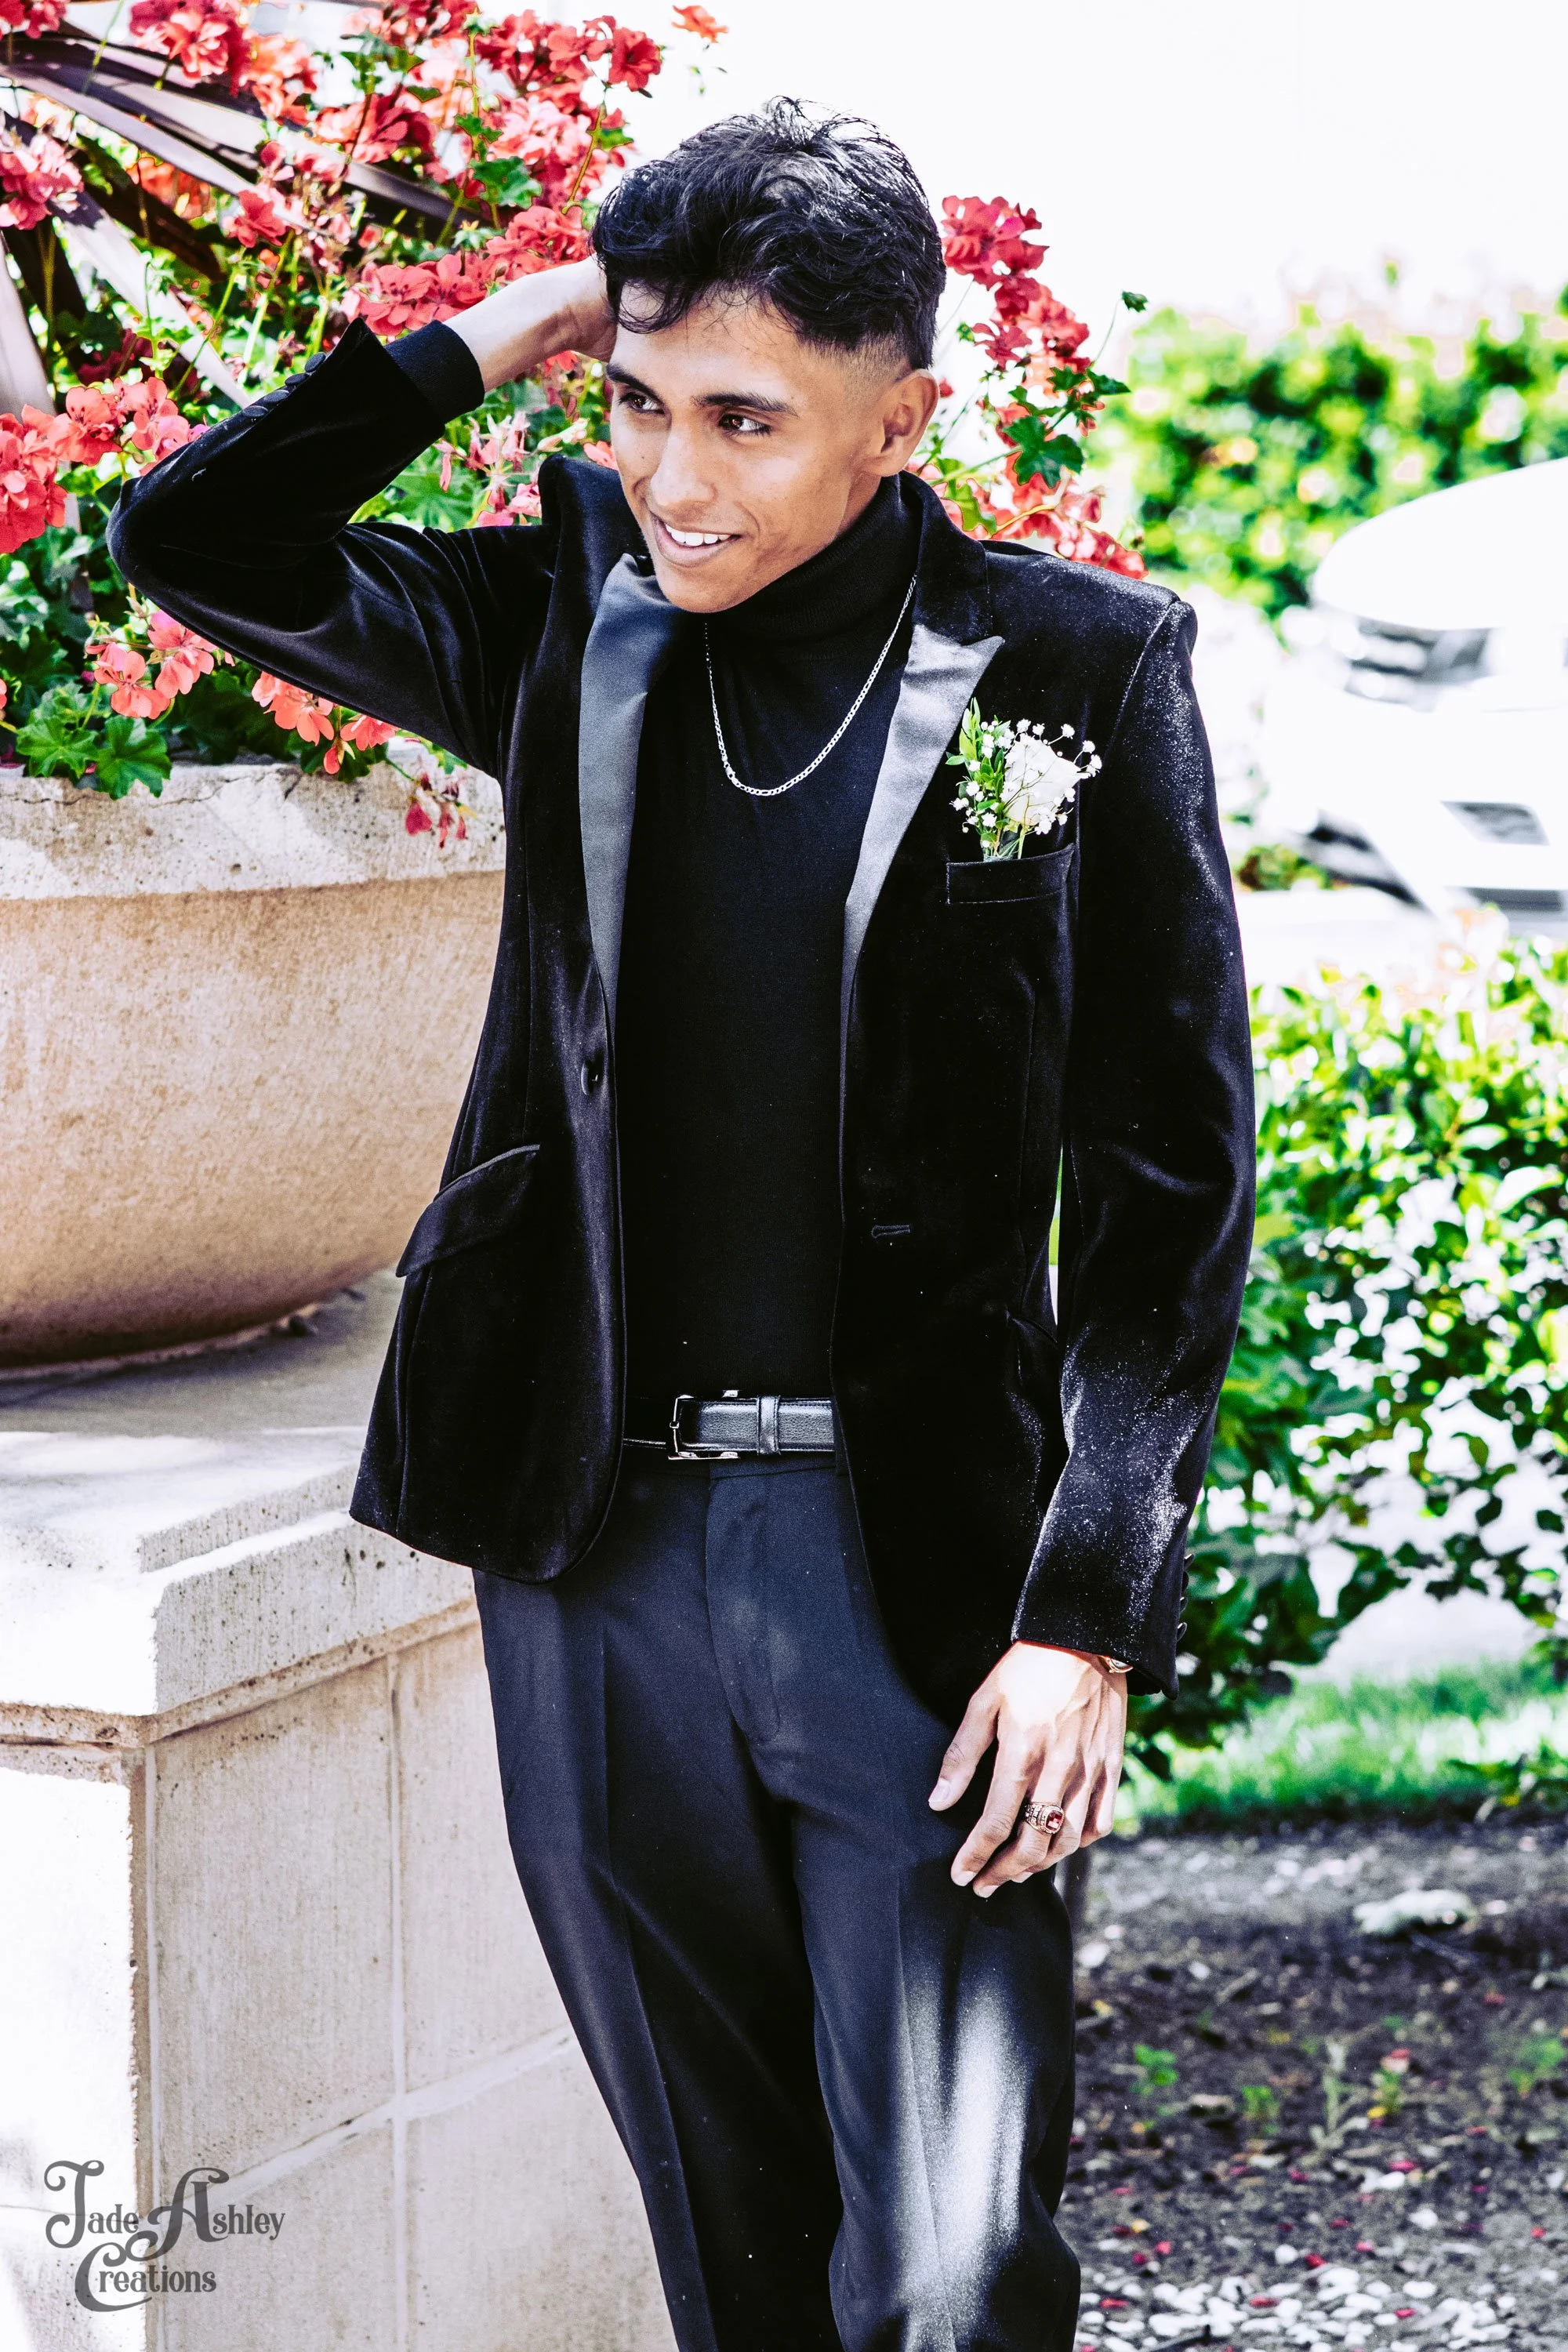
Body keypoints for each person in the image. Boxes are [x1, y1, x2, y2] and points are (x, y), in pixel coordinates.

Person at [111, 98, 1254, 2352]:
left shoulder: (1074, 674)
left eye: (746, 419)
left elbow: (1168, 1182)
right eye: (642, 404)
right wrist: (501, 332)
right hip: (599, 1562)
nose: (677, 471)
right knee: (724, 2246)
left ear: (902, 417)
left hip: (916, 1586)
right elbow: (197, 536)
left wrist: (1089, 1613)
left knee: (952, 2267)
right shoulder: (563, 603)